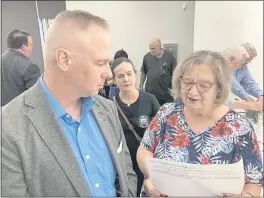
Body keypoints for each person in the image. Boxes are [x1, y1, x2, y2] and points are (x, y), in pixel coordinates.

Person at [2, 10, 137, 197]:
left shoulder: (107, 109)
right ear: (64, 59)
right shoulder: (8, 128)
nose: (109, 74)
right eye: (101, 63)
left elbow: (126, 174)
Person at [137, 50, 262, 197]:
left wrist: (247, 196)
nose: (193, 92)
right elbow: (144, 150)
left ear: (219, 88)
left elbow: (254, 181)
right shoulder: (167, 113)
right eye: (187, 82)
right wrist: (153, 177)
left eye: (204, 85)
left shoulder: (240, 127)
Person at [110, 57, 160, 196]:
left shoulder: (150, 100)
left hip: (146, 165)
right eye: (120, 76)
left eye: (129, 73)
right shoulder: (110, 106)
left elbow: (162, 133)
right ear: (114, 80)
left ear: (135, 74)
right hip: (123, 166)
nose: (126, 79)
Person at [1, 29, 40, 106]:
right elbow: (36, 99)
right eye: (31, 45)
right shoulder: (30, 67)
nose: (31, 48)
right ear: (23, 48)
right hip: (19, 116)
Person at [222, 45, 263, 112]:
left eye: (249, 60)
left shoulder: (242, 66)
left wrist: (261, 95)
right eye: (246, 60)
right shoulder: (219, 67)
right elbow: (233, 84)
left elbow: (250, 83)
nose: (245, 63)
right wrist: (249, 101)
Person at [140, 38, 177, 106]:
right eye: (150, 48)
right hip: (151, 94)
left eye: (153, 48)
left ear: (160, 47)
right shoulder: (147, 57)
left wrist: (176, 90)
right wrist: (141, 86)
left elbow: (175, 75)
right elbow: (143, 73)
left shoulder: (169, 57)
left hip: (166, 95)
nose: (151, 51)